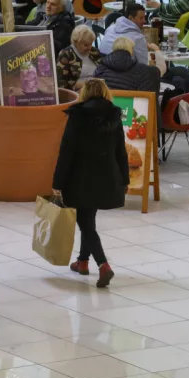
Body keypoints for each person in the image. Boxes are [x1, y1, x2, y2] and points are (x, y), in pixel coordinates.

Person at [52, 79, 128, 289]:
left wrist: (58, 181)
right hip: (107, 175)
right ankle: (82, 261)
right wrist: (125, 178)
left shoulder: (78, 116)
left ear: (84, 93)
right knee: (88, 218)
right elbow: (120, 150)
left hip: (81, 176)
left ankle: (103, 264)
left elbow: (67, 151)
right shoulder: (114, 115)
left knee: (85, 223)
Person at [95, 37, 160, 94]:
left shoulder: (100, 67)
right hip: (129, 106)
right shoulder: (143, 70)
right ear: (131, 50)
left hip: (105, 104)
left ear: (114, 49)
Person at [56, 24, 103, 90]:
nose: (89, 47)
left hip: (96, 89)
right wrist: (85, 84)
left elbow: (103, 71)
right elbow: (61, 84)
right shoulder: (66, 54)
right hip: (76, 92)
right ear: (76, 42)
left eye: (91, 43)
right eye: (86, 45)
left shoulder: (94, 52)